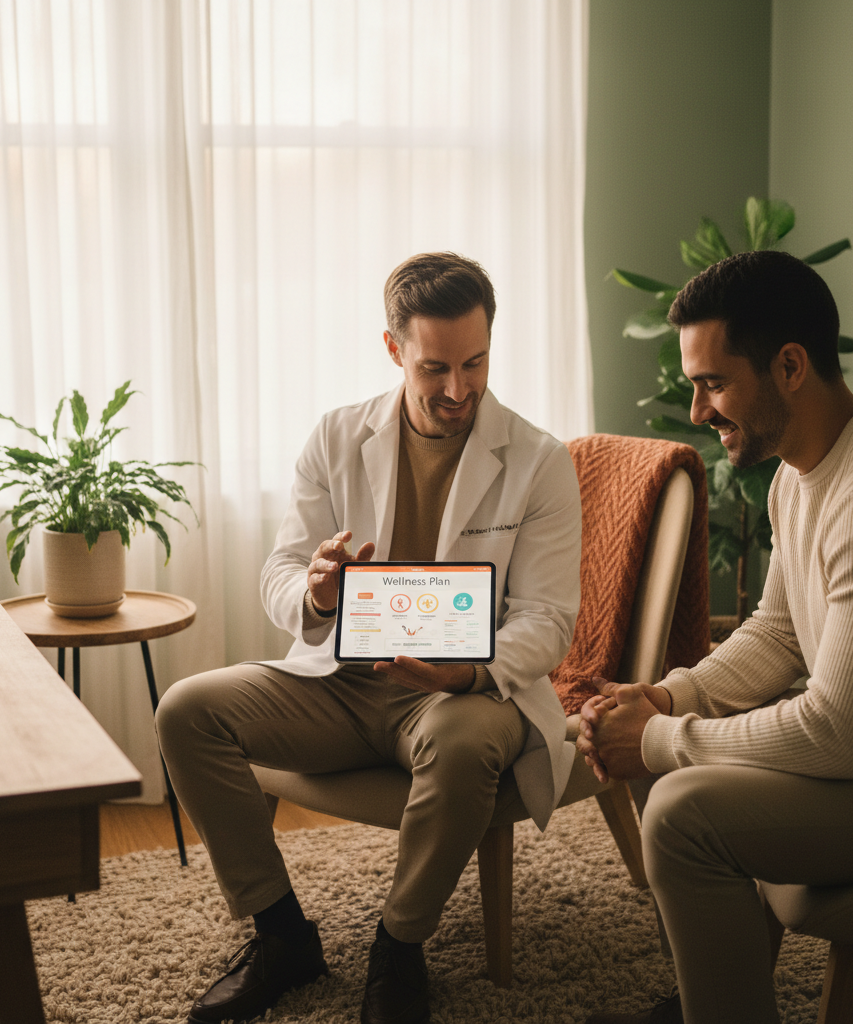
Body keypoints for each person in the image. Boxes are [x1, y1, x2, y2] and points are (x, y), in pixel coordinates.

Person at [155, 252, 582, 1024]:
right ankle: (281, 933)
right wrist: (314, 590)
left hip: (461, 692)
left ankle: (400, 945)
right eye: (435, 368)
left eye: (476, 363)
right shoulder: (335, 437)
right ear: (393, 350)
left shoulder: (540, 461)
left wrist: (464, 674)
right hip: (341, 681)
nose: (459, 390)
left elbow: (547, 619)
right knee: (186, 710)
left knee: (460, 743)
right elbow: (281, 572)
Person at [577, 250, 853, 1024]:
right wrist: (665, 696)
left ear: (790, 365)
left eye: (714, 382)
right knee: (644, 741)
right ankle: (723, 997)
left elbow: (837, 734)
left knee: (678, 811)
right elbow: (779, 633)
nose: (701, 411)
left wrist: (665, 735)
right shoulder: (796, 474)